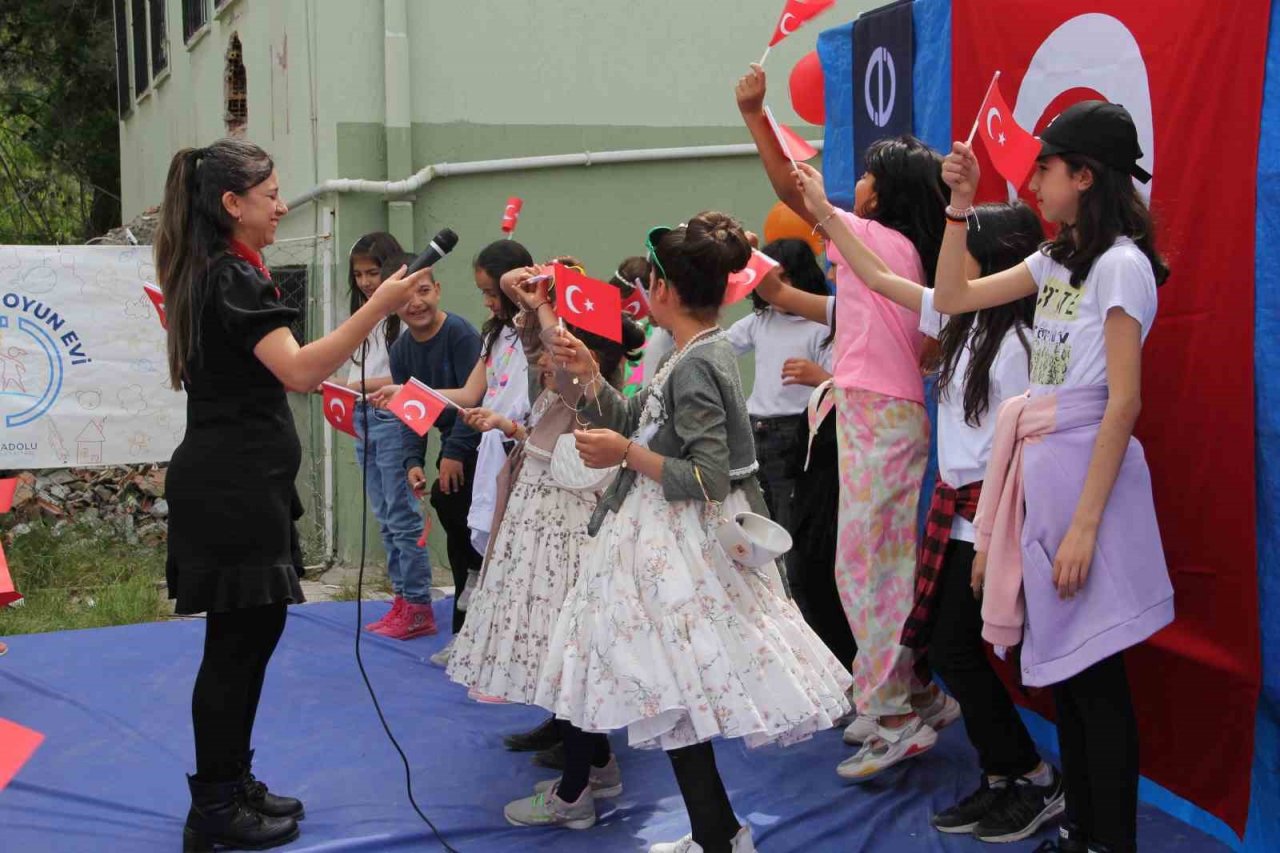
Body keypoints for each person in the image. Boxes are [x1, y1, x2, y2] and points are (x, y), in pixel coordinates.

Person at [503, 213, 851, 853]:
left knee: (676, 692)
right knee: (674, 695)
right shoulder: (691, 353)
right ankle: (716, 833)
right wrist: (587, 374)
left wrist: (625, 454)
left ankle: (717, 835)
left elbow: (709, 475)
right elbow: (636, 417)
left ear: (662, 289)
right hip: (660, 540)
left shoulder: (698, 361)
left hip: (678, 548)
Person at [155, 138, 422, 851]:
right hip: (231, 488)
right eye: (271, 194)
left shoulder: (229, 272)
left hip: (246, 483)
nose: (281, 205)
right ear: (232, 204)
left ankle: (232, 779)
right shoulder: (230, 280)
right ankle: (214, 805)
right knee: (234, 644)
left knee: (252, 635)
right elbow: (300, 370)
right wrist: (380, 303)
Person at [794, 161, 1068, 842]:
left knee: (958, 645)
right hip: (958, 512)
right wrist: (825, 216)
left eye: (963, 251)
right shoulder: (962, 322)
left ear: (994, 263)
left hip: (993, 515)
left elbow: (1032, 446)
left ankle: (1031, 774)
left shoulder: (1021, 346)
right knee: (948, 645)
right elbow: (882, 279)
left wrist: (995, 536)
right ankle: (1006, 772)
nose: (950, 265)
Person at [932, 101, 1174, 853]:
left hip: (1086, 486)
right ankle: (1082, 829)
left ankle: (1110, 841)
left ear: (1084, 175)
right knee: (1068, 676)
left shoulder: (1122, 265)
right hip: (1044, 479)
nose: (1033, 179)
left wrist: (1085, 526)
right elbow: (952, 298)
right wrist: (958, 209)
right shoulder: (1056, 259)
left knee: (1098, 683)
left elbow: (1123, 401)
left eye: (1046, 166)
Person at [738, 63, 957, 779]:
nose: (851, 183)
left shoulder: (875, 242)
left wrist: (754, 115)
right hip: (880, 416)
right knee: (871, 563)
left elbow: (788, 185)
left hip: (877, 419)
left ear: (880, 193)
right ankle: (912, 692)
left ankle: (895, 709)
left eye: (864, 174)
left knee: (867, 567)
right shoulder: (895, 254)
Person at [368, 266, 483, 642]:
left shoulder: (462, 334)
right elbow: (411, 413)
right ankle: (463, 634)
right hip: (451, 448)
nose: (415, 303)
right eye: (404, 297)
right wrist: (412, 462)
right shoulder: (401, 350)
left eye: (423, 292)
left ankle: (478, 619)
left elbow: (477, 399)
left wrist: (453, 453)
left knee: (470, 532)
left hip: (480, 444)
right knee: (455, 535)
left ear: (438, 289)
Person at [335, 236, 431, 637]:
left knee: (402, 516)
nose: (366, 282)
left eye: (373, 272)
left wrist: (348, 383)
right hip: (364, 414)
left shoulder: (403, 313)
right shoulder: (366, 313)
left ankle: (419, 604)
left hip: (393, 417)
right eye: (358, 275)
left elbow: (404, 376)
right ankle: (402, 598)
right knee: (385, 517)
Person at [726, 237, 832, 595]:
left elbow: (843, 384)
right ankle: (763, 591)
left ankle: (792, 596)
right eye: (772, 280)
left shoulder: (821, 324)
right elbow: (723, 346)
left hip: (796, 433)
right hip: (755, 430)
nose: (778, 289)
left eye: (785, 279)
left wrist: (819, 376)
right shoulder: (761, 320)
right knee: (752, 514)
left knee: (787, 523)